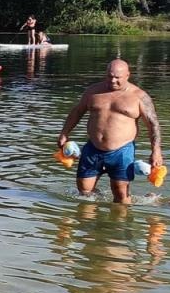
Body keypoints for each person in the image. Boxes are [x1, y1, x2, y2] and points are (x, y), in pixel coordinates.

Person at [57, 59, 163, 205]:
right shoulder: (93, 92)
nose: (112, 80)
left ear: (127, 75)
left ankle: (120, 225)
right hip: (93, 148)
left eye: (117, 78)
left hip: (121, 151)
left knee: (121, 196)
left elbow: (153, 124)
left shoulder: (139, 96)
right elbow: (77, 111)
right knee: (84, 192)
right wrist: (64, 133)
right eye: (109, 76)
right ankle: (91, 224)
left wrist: (156, 150)